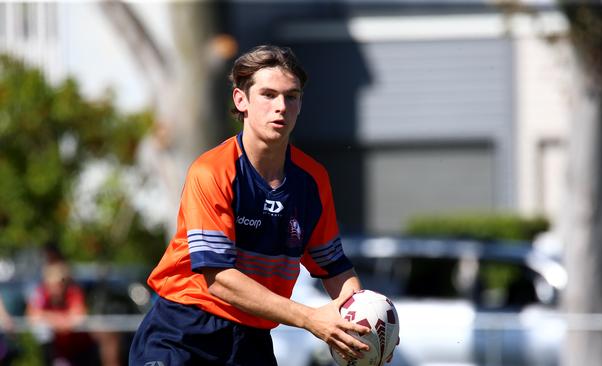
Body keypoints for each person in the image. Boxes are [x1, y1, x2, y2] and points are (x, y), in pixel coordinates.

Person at [129, 45, 375, 365]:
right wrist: (311, 318)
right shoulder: (213, 171)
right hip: (183, 330)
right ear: (240, 100)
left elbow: (335, 269)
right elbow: (218, 278)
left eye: (292, 96)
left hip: (251, 340)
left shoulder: (312, 180)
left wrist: (361, 323)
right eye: (268, 95)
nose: (281, 107)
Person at [26, 261, 98, 366]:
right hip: (56, 351)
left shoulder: (74, 293)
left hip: (79, 349)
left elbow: (77, 318)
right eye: (51, 284)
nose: (55, 288)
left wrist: (47, 317)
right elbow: (32, 316)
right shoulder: (41, 293)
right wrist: (60, 320)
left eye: (59, 284)